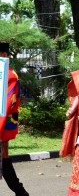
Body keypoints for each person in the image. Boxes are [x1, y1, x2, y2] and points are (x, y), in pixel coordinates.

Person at [0, 66, 29, 196]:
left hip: (2, 125)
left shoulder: (9, 75)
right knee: (4, 160)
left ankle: (20, 191)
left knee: (4, 159)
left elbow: (6, 105)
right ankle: (20, 192)